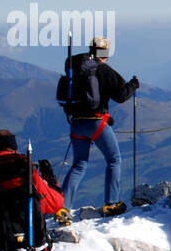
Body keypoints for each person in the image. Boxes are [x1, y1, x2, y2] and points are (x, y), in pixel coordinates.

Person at [58, 36, 138, 220]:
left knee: (79, 164)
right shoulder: (102, 69)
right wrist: (134, 85)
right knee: (114, 160)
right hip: (96, 122)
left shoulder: (74, 66)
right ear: (105, 52)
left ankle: (63, 208)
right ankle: (111, 204)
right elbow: (121, 95)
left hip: (76, 122)